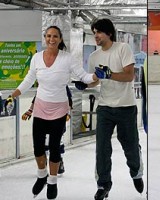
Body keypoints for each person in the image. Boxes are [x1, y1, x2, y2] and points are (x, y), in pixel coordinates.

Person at [7, 25, 99, 200]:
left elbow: (84, 77)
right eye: (48, 36)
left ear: (60, 39)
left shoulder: (67, 58)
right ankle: (42, 175)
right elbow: (28, 80)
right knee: (38, 148)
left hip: (59, 108)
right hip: (41, 107)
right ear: (45, 37)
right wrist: (13, 95)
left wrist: (96, 75)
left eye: (55, 36)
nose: (51, 39)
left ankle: (53, 180)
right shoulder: (36, 58)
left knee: (55, 147)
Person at [73, 18, 144, 200]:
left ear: (109, 33)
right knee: (102, 148)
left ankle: (136, 171)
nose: (96, 35)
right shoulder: (95, 56)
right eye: (94, 32)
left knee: (130, 147)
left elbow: (129, 76)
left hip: (126, 107)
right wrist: (84, 85)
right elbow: (95, 80)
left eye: (99, 32)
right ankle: (103, 184)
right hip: (105, 107)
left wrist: (110, 74)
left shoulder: (122, 49)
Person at [22, 86, 73, 175]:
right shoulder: (42, 85)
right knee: (43, 142)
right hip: (43, 117)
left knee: (58, 142)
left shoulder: (63, 85)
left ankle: (59, 161)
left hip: (58, 117)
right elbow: (36, 99)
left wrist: (68, 113)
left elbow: (69, 100)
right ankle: (43, 163)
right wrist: (30, 110)